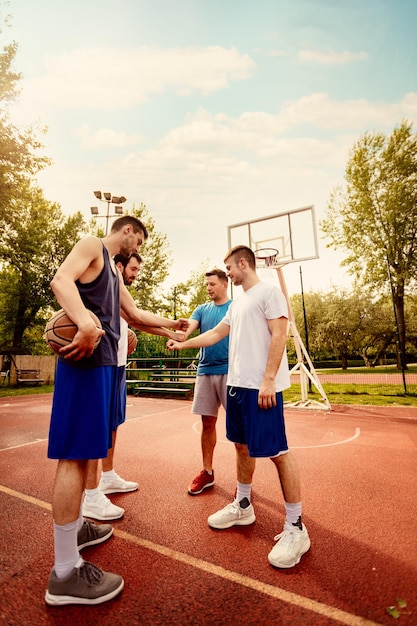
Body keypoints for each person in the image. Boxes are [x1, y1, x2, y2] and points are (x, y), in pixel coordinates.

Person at [45, 216, 189, 606]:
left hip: (105, 365)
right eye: (138, 240)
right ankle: (64, 572)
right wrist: (84, 322)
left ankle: (73, 528)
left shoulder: (113, 271)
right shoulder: (93, 245)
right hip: (85, 362)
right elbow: (60, 281)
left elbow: (136, 316)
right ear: (127, 231)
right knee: (74, 457)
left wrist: (172, 328)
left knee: (88, 452)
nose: (136, 248)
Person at [167, 245, 310, 569]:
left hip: (262, 388)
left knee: (278, 452)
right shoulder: (240, 301)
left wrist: (270, 379)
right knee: (241, 446)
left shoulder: (269, 292)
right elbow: (217, 333)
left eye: (229, 268)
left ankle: (296, 526)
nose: (227, 273)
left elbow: (279, 334)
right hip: (237, 387)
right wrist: (184, 343)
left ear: (242, 263)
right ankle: (243, 503)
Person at [82, 252, 142, 522]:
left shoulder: (117, 290)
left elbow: (127, 317)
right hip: (103, 363)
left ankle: (107, 476)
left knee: (113, 424)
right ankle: (91, 494)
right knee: (97, 428)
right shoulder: (106, 282)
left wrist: (129, 332)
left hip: (119, 363)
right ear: (119, 266)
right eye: (133, 268)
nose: (135, 274)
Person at [183, 269, 231, 495]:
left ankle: (244, 483)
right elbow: (189, 328)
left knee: (240, 427)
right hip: (205, 372)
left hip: (231, 371)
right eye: (207, 285)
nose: (209, 288)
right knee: (207, 424)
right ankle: (207, 471)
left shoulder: (235, 308)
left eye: (212, 284)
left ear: (224, 284)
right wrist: (181, 336)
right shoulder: (202, 309)